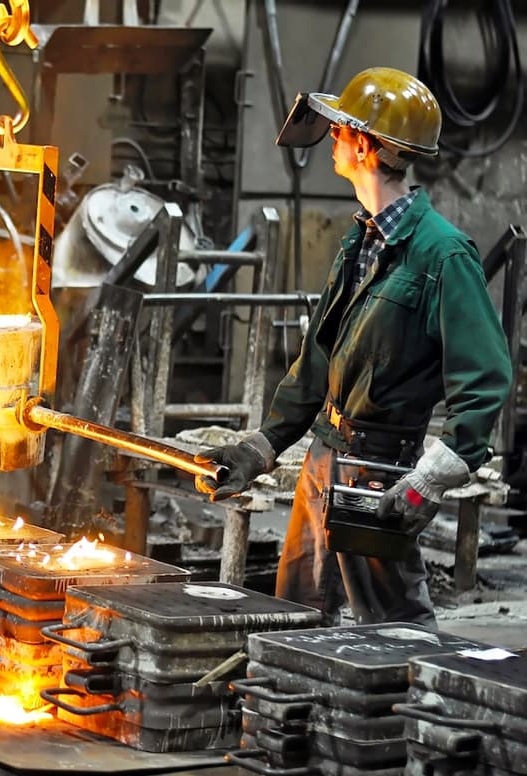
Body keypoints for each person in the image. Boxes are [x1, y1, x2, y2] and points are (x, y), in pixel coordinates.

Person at [195, 67, 512, 627]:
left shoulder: (442, 255)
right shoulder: (364, 238)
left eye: (342, 130)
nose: (333, 140)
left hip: (379, 472)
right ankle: (293, 715)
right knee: (294, 620)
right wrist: (264, 445)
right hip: (324, 458)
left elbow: (485, 378)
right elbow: (320, 357)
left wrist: (430, 479)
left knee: (393, 631)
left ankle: (408, 714)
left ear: (365, 145)